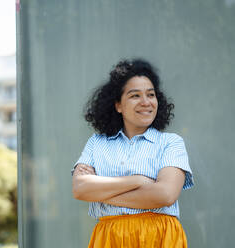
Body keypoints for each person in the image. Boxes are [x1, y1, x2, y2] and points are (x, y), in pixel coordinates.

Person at [72, 59, 194, 248]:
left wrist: (100, 193)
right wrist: (138, 180)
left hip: (159, 237)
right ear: (118, 105)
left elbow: (165, 195)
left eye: (151, 95)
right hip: (110, 238)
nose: (146, 102)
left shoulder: (171, 142)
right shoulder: (97, 143)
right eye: (135, 95)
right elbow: (80, 189)